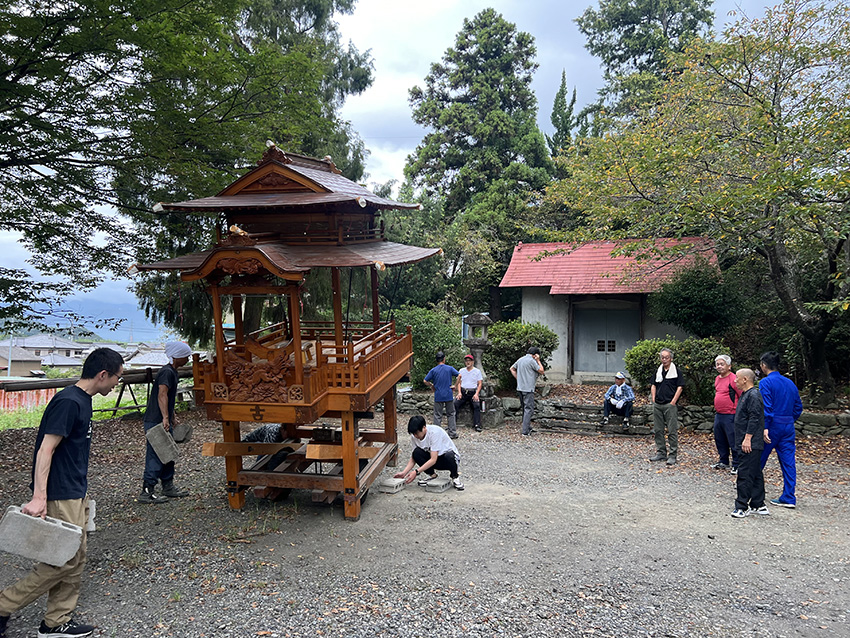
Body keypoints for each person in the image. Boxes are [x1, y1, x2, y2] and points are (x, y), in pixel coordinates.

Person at [0, 348, 124, 638]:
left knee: (76, 559)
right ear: (103, 374)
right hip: (60, 493)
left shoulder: (84, 400)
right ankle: (4, 604)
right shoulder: (69, 401)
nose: (118, 383)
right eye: (117, 377)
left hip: (75, 490)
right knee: (63, 560)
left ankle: (56, 621)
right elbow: (46, 449)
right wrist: (39, 497)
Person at [138, 341, 192, 503]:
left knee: (168, 452)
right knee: (156, 454)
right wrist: (165, 417)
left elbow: (168, 397)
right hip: (155, 420)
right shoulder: (167, 372)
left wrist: (171, 415)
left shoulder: (172, 371)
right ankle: (147, 491)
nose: (188, 359)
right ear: (177, 356)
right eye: (185, 356)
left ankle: (168, 486)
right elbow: (162, 394)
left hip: (161, 417)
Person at [758, 351, 803, 509]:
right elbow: (798, 407)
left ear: (764, 365)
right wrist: (790, 419)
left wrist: (765, 426)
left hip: (772, 425)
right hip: (788, 424)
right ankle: (789, 496)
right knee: (788, 461)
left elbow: (767, 407)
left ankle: (751, 490)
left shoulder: (765, 383)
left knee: (759, 458)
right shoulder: (790, 383)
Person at [731, 368, 769, 518]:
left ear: (745, 379)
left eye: (737, 378)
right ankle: (758, 504)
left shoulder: (753, 395)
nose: (735, 381)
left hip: (750, 442)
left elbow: (755, 418)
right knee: (755, 472)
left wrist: (748, 438)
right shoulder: (745, 395)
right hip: (745, 440)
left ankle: (742, 506)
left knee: (745, 473)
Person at [394, 415, 464, 490]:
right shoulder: (414, 437)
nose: (415, 436)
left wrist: (416, 472)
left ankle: (455, 477)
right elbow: (414, 458)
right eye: (413, 433)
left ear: (424, 428)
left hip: (447, 459)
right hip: (434, 459)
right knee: (416, 453)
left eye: (417, 433)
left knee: (449, 455)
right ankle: (432, 476)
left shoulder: (434, 433)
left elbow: (433, 459)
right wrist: (404, 473)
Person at [650, 348, 685, 465]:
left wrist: (673, 401)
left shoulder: (676, 372)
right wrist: (653, 398)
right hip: (658, 404)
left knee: (672, 431)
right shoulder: (658, 371)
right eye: (662, 357)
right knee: (658, 430)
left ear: (671, 358)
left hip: (670, 405)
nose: (664, 359)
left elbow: (680, 387)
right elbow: (653, 384)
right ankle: (661, 452)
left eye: (667, 357)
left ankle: (673, 455)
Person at [712, 354, 741, 474]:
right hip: (719, 413)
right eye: (717, 364)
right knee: (720, 438)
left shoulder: (734, 379)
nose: (719, 366)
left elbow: (741, 395)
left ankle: (737, 464)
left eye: (722, 364)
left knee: (733, 440)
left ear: (729, 366)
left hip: (731, 414)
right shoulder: (717, 378)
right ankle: (723, 460)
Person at [423, 351, 460, 439]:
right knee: (451, 414)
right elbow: (459, 375)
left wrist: (431, 385)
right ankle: (452, 433)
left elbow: (425, 381)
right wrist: (455, 385)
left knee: (437, 415)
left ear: (436, 360)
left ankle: (437, 434)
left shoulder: (433, 370)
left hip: (438, 395)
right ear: (444, 359)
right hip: (448, 394)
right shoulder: (449, 368)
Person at [510, 347, 544, 436]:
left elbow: (512, 369)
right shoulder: (532, 361)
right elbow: (541, 371)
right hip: (528, 389)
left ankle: (527, 427)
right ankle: (525, 431)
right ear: (535, 355)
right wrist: (538, 361)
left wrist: (518, 379)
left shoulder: (520, 360)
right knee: (528, 409)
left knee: (524, 409)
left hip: (520, 388)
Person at [454, 354, 483, 432]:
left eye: (469, 361)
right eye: (466, 361)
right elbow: (459, 382)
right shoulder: (461, 370)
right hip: (463, 391)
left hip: (472, 392)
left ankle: (477, 425)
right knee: (455, 403)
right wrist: (459, 392)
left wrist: (476, 394)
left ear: (473, 362)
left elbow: (480, 383)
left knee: (477, 405)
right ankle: (453, 424)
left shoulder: (477, 371)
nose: (468, 362)